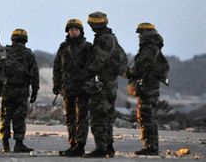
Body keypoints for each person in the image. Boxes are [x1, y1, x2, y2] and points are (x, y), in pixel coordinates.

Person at [83, 11, 126, 158]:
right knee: (107, 117)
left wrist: (86, 74)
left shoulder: (104, 39)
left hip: (103, 83)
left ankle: (101, 149)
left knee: (98, 116)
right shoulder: (112, 38)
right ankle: (109, 148)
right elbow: (123, 59)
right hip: (111, 83)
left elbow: (99, 61)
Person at [125, 23, 169, 156]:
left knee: (146, 117)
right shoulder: (152, 48)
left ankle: (150, 147)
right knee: (148, 116)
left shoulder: (149, 50)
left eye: (140, 33)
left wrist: (128, 73)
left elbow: (139, 69)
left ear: (146, 34)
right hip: (150, 87)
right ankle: (150, 146)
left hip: (148, 88)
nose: (139, 36)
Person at [52, 19, 92, 157]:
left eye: (75, 29)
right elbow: (57, 67)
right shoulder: (63, 47)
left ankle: (80, 145)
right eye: (71, 30)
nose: (73, 32)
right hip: (67, 87)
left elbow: (92, 67)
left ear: (80, 31)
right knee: (70, 117)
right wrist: (56, 84)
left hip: (82, 88)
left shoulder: (87, 47)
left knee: (82, 117)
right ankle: (73, 144)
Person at [0, 29, 40, 153]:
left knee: (5, 116)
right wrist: (34, 91)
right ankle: (19, 143)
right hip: (22, 90)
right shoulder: (28, 54)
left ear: (13, 39)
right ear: (25, 40)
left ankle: (5, 143)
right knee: (19, 117)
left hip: (7, 88)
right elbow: (35, 74)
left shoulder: (4, 52)